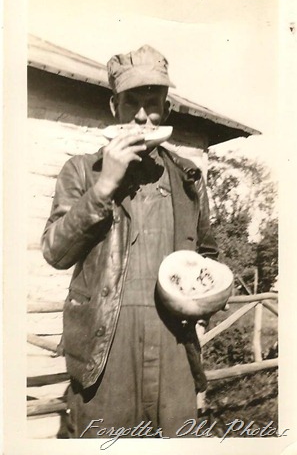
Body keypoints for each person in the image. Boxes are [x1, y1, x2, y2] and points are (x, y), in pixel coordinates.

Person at [41, 44, 219, 439]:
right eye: (130, 103)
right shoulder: (82, 171)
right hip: (106, 353)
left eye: (152, 103)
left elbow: (208, 255)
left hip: (173, 346)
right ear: (113, 108)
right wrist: (105, 184)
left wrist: (208, 296)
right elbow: (55, 251)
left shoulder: (189, 178)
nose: (141, 116)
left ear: (167, 110)